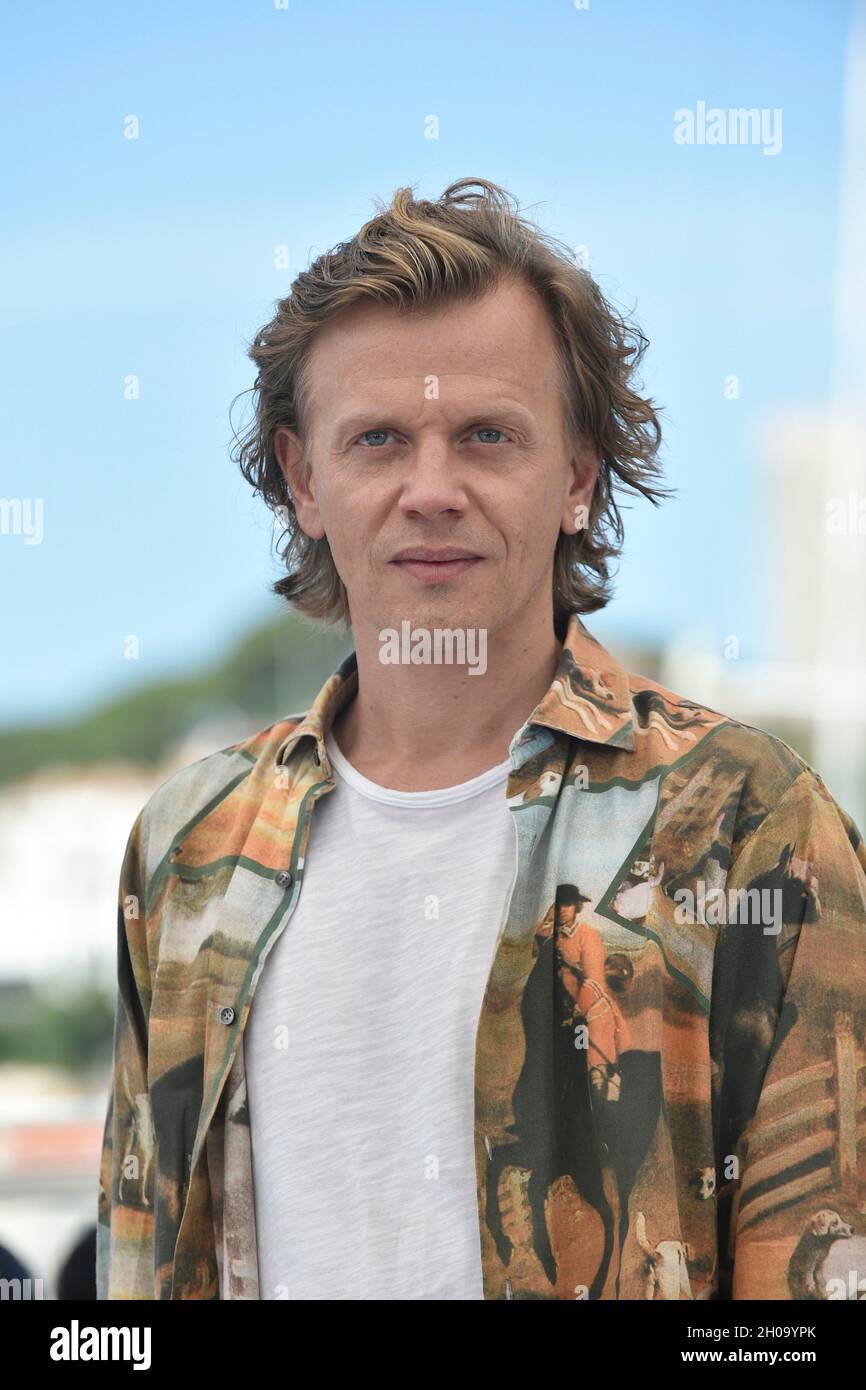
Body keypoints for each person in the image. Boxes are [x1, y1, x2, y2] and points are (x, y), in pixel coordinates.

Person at [97, 177, 866, 1301]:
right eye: (377, 440)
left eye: (486, 435)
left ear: (576, 476)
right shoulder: (190, 848)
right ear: (304, 480)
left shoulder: (747, 823)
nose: (430, 489)